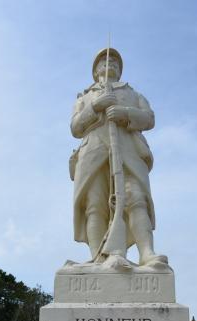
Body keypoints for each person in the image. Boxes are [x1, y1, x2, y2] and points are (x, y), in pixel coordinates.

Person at [70, 48, 167, 268]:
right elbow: (75, 127)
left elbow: (149, 119)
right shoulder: (85, 97)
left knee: (136, 198)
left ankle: (146, 253)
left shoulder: (133, 94)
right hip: (93, 151)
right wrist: (96, 105)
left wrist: (126, 113)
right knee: (95, 205)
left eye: (115, 61)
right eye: (104, 61)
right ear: (95, 71)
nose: (110, 63)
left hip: (128, 150)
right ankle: (99, 257)